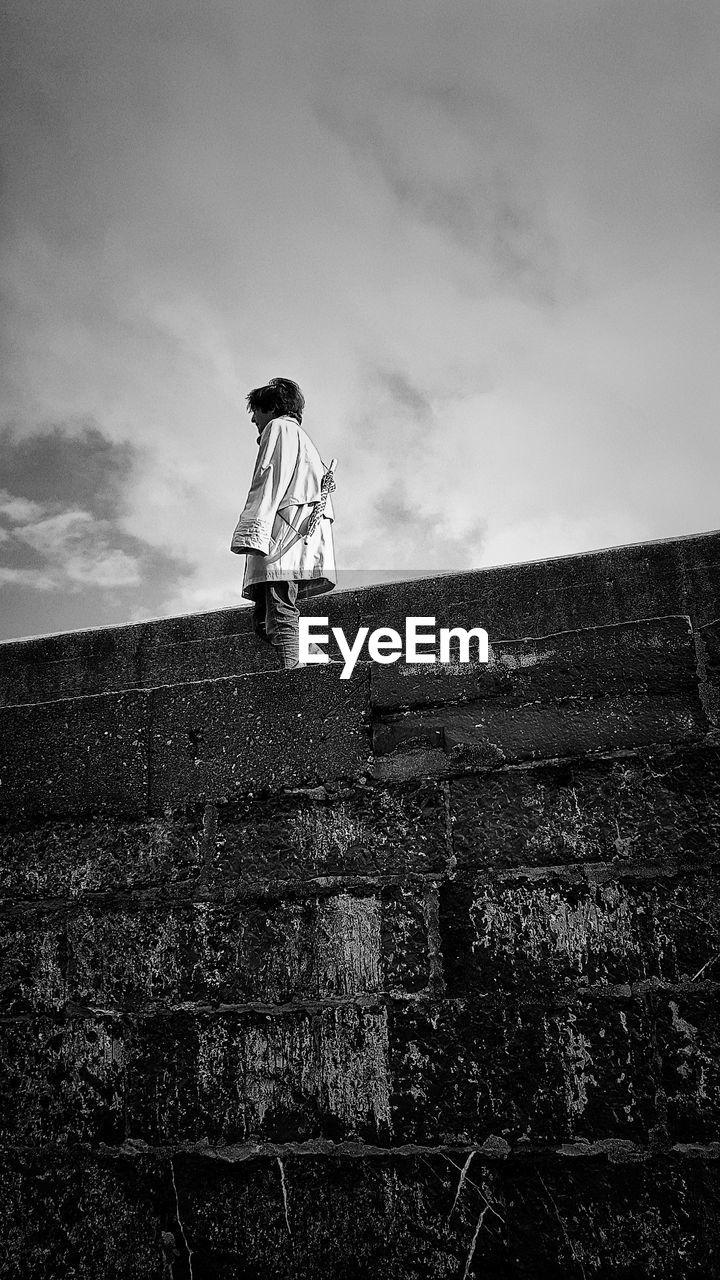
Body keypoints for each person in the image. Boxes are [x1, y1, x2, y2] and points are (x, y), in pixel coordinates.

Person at [230, 377, 336, 669]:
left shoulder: (279, 429)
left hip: (283, 539)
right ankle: (320, 662)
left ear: (272, 408)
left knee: (278, 616)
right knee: (265, 622)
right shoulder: (302, 440)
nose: (253, 417)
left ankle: (298, 677)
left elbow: (268, 479)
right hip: (293, 536)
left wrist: (250, 533)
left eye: (257, 410)